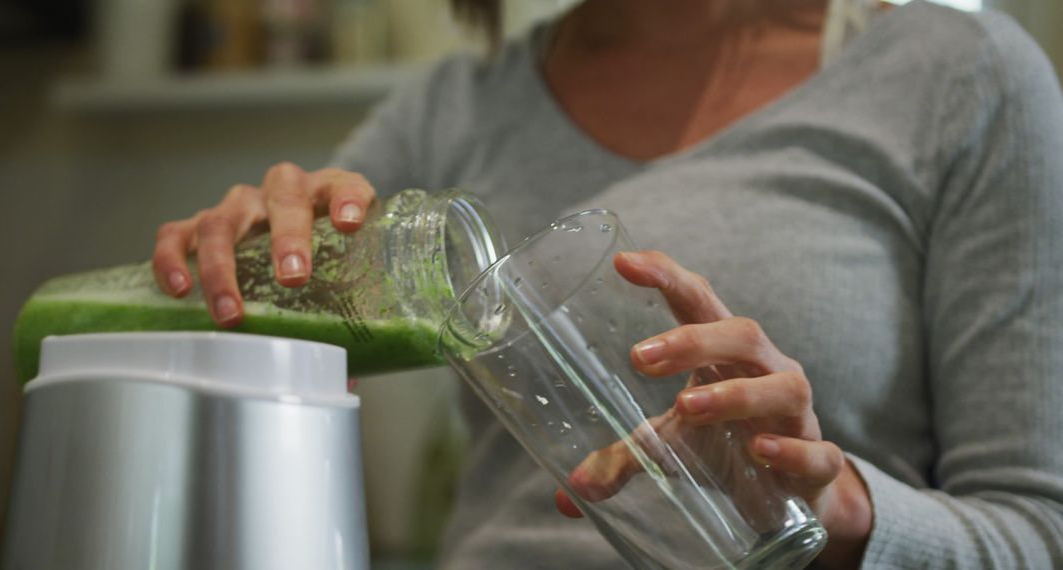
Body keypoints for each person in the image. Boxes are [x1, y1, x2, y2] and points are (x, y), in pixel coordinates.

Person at [151, 0, 1063, 567]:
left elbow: (1039, 531)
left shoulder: (963, 77)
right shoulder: (450, 109)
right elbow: (260, 352)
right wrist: (248, 271)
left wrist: (839, 510)